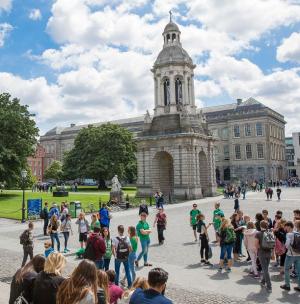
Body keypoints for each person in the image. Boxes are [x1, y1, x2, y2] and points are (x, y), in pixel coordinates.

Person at [280, 220, 300, 292]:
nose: (285, 228)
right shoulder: (297, 233)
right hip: (298, 255)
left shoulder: (289, 234)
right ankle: (299, 286)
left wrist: (286, 247)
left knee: (286, 269)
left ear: (289, 226)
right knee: (298, 271)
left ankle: (287, 285)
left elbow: (287, 245)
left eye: (286, 227)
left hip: (290, 255)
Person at [255, 220, 273, 292]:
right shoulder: (270, 232)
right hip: (269, 252)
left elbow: (256, 244)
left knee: (265, 270)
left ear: (260, 226)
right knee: (266, 268)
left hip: (262, 253)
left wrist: (258, 251)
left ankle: (269, 286)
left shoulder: (258, 233)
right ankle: (263, 281)